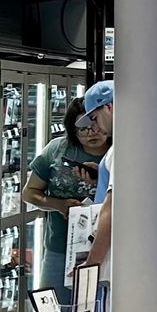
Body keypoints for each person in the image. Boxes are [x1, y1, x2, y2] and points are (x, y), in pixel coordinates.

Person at [22, 97, 107, 295]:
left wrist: (102, 181)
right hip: (60, 247)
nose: (91, 133)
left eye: (96, 125)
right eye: (83, 128)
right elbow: (29, 193)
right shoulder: (57, 149)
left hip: (107, 247)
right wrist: (59, 205)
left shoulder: (119, 154)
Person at [80, 80, 116, 271]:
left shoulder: (120, 149)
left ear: (108, 107)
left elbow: (112, 209)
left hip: (111, 258)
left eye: (94, 118)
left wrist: (92, 262)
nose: (96, 128)